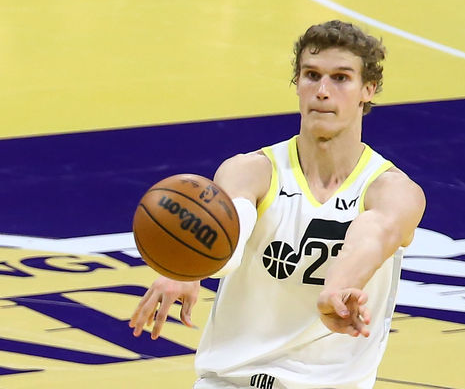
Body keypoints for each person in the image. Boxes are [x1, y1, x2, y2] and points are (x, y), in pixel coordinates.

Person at [129, 20, 426, 389]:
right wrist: (191, 265)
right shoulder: (251, 171)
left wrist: (338, 288)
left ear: (369, 89)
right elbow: (231, 235)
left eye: (340, 78)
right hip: (230, 383)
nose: (322, 91)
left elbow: (373, 235)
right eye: (311, 75)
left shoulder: (392, 190)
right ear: (297, 84)